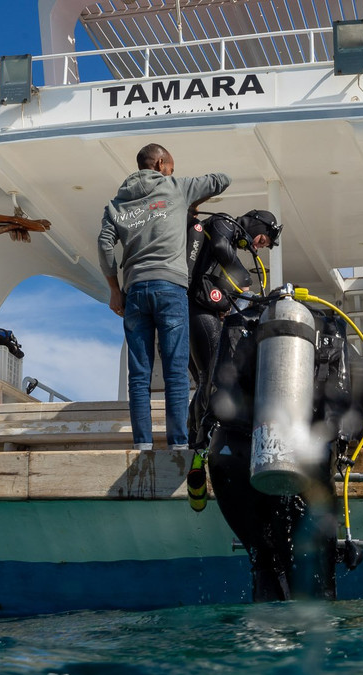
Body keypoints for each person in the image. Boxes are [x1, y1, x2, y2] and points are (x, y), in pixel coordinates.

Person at [98, 143, 230, 450]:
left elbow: (104, 244)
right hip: (170, 288)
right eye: (171, 167)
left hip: (134, 292)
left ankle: (142, 445)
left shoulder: (116, 203)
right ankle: (178, 444)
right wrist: (191, 198)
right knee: (175, 371)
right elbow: (222, 179)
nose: (172, 172)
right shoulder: (176, 187)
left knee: (139, 375)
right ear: (160, 164)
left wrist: (115, 290)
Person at [186, 209, 282, 447]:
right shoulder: (223, 223)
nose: (257, 247)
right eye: (261, 241)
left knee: (205, 381)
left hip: (199, 310)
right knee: (211, 377)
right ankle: (199, 442)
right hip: (197, 311)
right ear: (256, 225)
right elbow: (219, 246)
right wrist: (244, 280)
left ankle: (195, 437)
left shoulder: (228, 236)